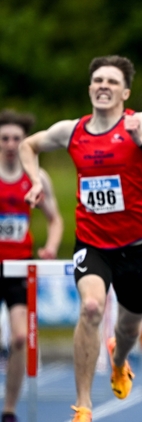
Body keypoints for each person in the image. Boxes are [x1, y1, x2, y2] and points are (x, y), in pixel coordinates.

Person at [19, 55, 142, 422]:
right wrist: (33, 180)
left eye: (112, 81)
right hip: (92, 245)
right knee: (91, 308)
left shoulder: (140, 124)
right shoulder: (71, 131)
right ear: (90, 88)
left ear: (125, 91)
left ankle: (120, 360)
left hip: (135, 247)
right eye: (97, 80)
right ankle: (84, 406)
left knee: (128, 327)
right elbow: (27, 146)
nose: (103, 86)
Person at [0, 110, 62, 422]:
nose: (11, 144)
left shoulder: (37, 178)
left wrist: (50, 247)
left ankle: (8, 410)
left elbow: (56, 220)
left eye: (16, 139)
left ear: (25, 142)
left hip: (19, 267)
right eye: (5, 139)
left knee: (21, 338)